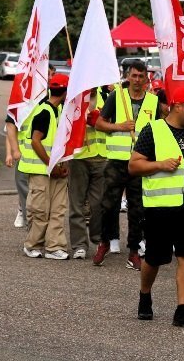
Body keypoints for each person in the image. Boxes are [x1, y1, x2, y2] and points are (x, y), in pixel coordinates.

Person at [130, 86, 184, 329]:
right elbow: (134, 166)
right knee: (155, 258)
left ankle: (182, 310)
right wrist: (159, 164)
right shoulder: (153, 130)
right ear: (177, 106)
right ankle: (145, 295)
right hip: (158, 208)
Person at [93, 61, 159, 270]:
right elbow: (99, 123)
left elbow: (160, 130)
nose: (137, 80)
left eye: (141, 76)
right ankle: (104, 242)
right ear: (128, 77)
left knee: (137, 209)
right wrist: (119, 126)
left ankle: (133, 251)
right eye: (134, 76)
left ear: (146, 78)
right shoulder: (116, 96)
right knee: (108, 205)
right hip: (117, 161)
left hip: (139, 163)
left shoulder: (153, 101)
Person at [19, 74, 70, 260]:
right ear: (65, 92)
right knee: (40, 210)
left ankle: (54, 247)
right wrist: (51, 164)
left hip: (56, 169)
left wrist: (63, 164)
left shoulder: (59, 111)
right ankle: (32, 245)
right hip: (42, 170)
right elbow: (36, 141)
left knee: (58, 209)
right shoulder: (44, 112)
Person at [5, 64, 56, 228]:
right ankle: (31, 224)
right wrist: (14, 150)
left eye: (51, 74)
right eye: (47, 74)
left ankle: (39, 225)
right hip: (25, 155)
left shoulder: (53, 96)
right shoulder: (23, 97)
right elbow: (10, 125)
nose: (49, 77)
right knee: (26, 191)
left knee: (45, 194)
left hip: (46, 154)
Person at [67, 86, 109, 259]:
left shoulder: (105, 96)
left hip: (101, 156)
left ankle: (97, 237)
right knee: (76, 203)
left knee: (98, 203)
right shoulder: (74, 97)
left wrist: (102, 121)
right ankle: (79, 245)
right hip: (79, 157)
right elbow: (65, 124)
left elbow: (113, 123)